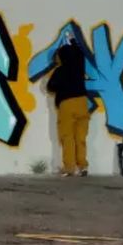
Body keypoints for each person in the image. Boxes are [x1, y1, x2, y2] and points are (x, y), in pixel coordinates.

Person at [47, 40, 90, 177]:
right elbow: (80, 53)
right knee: (81, 137)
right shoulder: (79, 68)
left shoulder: (60, 71)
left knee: (67, 137)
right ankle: (83, 166)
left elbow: (50, 87)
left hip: (67, 104)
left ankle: (69, 168)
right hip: (82, 102)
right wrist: (73, 42)